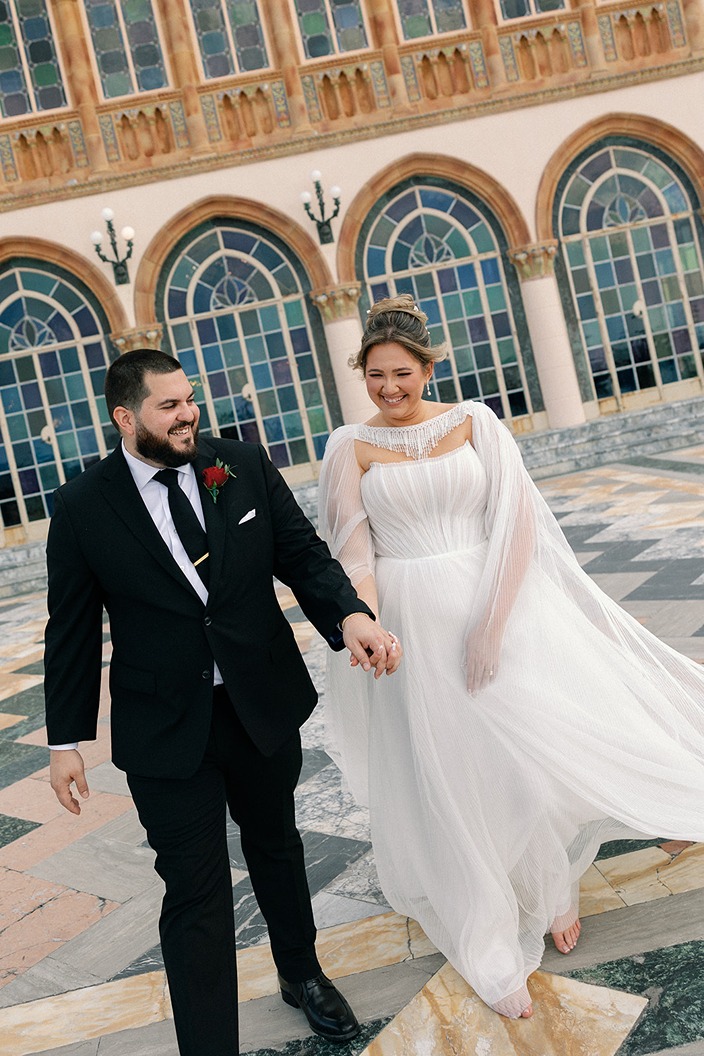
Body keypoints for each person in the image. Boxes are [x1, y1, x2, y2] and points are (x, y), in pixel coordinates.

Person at [318, 294, 704, 1020]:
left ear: (429, 367)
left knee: (523, 756)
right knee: (451, 769)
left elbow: (517, 522)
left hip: (493, 602)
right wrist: (367, 623)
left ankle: (550, 887)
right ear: (360, 374)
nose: (389, 388)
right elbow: (354, 551)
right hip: (410, 626)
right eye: (375, 375)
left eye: (401, 372)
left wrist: (492, 623)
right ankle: (487, 928)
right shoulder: (348, 446)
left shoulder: (475, 423)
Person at [44, 348, 402, 1056]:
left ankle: (302, 975)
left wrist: (351, 615)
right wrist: (64, 743)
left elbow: (301, 554)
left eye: (189, 399)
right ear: (126, 416)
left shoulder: (238, 463)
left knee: (277, 848)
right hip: (166, 728)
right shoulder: (84, 506)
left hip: (258, 703)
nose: (188, 414)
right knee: (194, 892)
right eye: (169, 405)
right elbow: (73, 629)